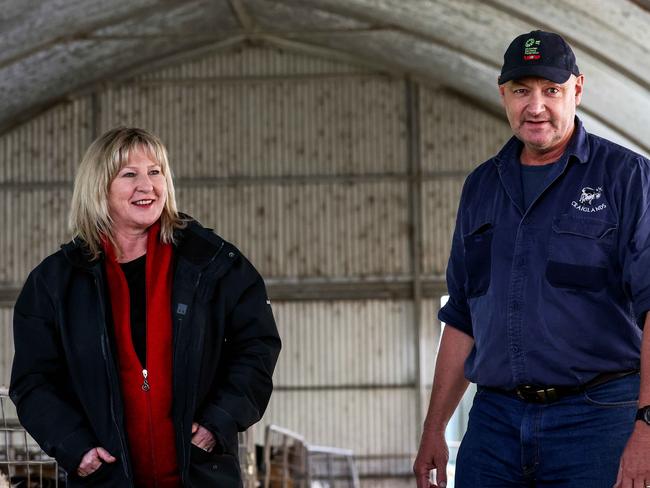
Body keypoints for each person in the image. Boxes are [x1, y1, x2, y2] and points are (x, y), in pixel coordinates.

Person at [414, 30, 650, 488]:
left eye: (551, 90)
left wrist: (647, 425)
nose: (535, 106)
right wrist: (433, 429)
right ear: (503, 94)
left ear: (577, 90)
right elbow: (462, 315)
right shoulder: (481, 187)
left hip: (598, 418)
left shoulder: (627, 178)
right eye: (522, 91)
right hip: (495, 421)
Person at [9, 127, 281, 487]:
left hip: (200, 474)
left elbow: (257, 346)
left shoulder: (214, 264)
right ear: (99, 187)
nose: (146, 185)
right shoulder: (55, 282)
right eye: (129, 174)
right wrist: (78, 449)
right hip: (106, 477)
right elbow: (34, 380)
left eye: (155, 172)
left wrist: (218, 421)